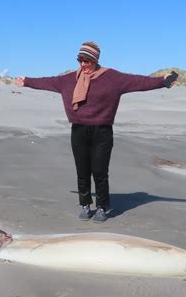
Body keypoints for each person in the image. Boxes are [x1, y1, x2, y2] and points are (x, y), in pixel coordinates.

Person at [15, 41, 177, 223]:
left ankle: (101, 207)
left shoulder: (113, 78)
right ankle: (85, 205)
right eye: (80, 60)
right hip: (78, 131)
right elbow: (47, 82)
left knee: (100, 172)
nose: (83, 64)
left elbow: (139, 82)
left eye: (87, 60)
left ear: (95, 60)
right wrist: (27, 81)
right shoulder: (68, 80)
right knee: (82, 171)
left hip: (102, 132)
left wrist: (162, 81)